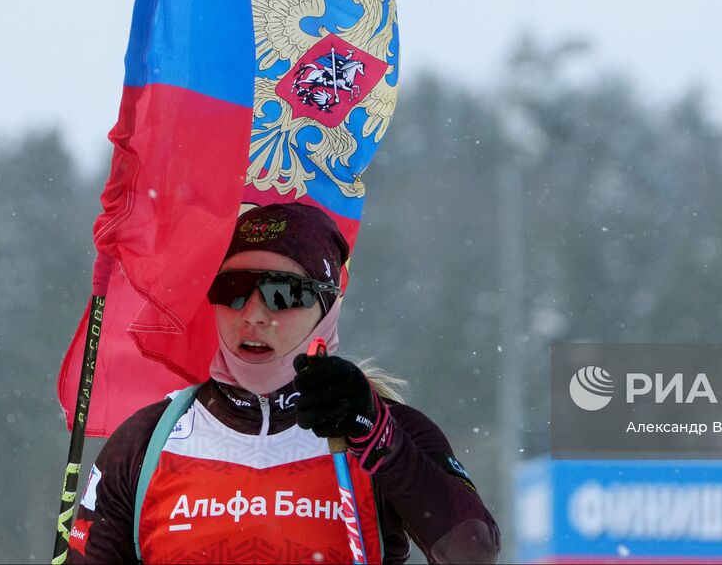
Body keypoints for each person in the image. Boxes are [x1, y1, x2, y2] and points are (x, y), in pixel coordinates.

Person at [65, 202, 500, 564]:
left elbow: (472, 552)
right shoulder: (147, 441)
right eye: (232, 288)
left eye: (285, 293)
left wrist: (376, 435)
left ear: (327, 307)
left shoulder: (387, 428)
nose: (253, 313)